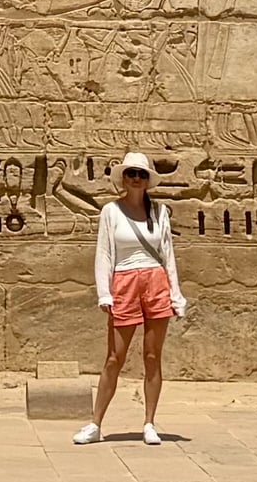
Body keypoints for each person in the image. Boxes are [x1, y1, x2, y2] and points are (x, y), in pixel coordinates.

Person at [80, 149, 190, 445]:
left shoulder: (159, 212)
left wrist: (175, 295)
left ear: (147, 180)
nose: (136, 179)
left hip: (155, 281)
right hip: (124, 282)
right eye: (131, 174)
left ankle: (149, 422)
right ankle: (95, 423)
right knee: (114, 357)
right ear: (123, 179)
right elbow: (103, 254)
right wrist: (104, 292)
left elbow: (168, 256)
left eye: (141, 174)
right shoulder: (110, 212)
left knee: (152, 357)